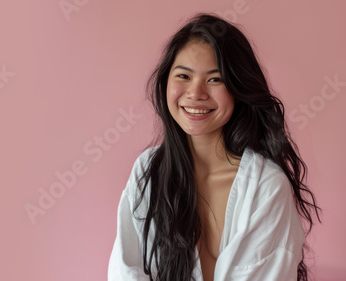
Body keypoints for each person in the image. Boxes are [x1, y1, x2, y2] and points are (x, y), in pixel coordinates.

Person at [108, 14, 320, 281]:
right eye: (183, 75)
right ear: (165, 84)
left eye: (214, 79)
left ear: (237, 88)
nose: (196, 93)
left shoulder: (266, 187)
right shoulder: (148, 171)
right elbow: (127, 270)